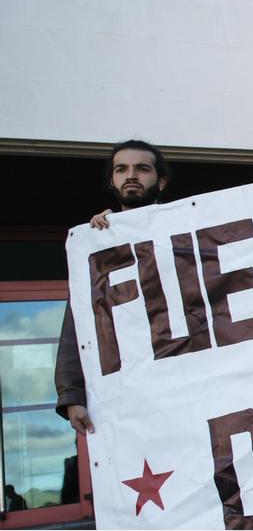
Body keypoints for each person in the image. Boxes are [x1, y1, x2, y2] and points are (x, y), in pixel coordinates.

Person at [56, 139, 173, 434]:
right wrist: (72, 394)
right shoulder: (97, 244)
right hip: (130, 389)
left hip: (183, 377)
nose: (131, 175)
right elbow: (79, 321)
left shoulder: (187, 227)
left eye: (142, 169)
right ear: (112, 180)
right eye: (121, 169)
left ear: (160, 181)